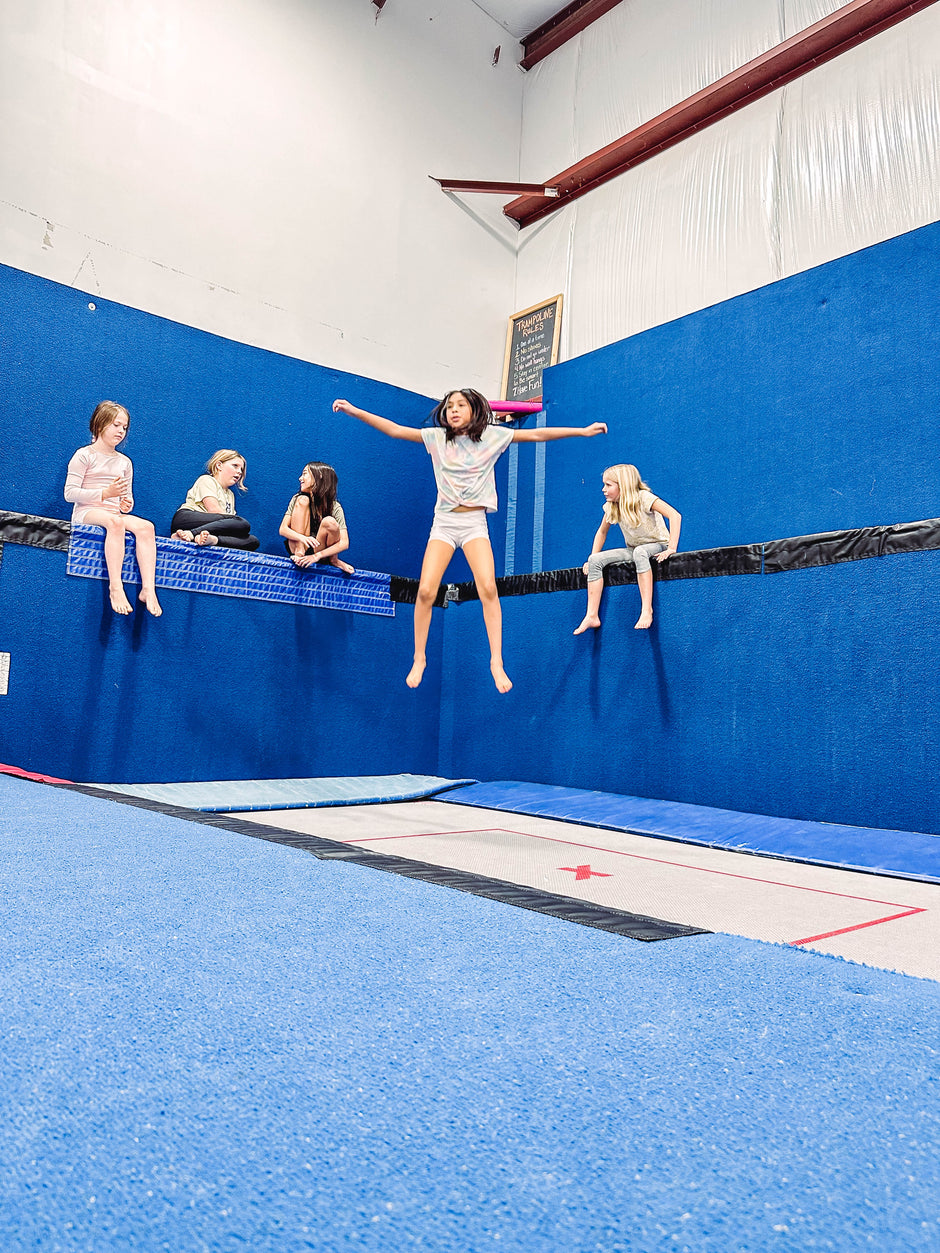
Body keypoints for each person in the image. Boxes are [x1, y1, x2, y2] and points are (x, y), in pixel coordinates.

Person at [333, 391, 607, 693]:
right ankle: (419, 657)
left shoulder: (492, 437)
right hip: (445, 523)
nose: (453, 410)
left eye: (460, 405)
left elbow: (538, 434)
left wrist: (581, 431)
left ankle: (496, 662)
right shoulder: (437, 438)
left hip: (474, 523)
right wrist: (354, 410)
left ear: (474, 410)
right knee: (425, 590)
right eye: (449, 406)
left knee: (488, 587)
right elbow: (395, 430)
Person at [64, 401, 162, 617]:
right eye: (116, 425)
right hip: (87, 511)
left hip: (112, 511)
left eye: (125, 427)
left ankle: (148, 588)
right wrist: (104, 494)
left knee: (146, 527)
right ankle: (115, 586)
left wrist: (125, 502)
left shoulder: (124, 462)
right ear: (100, 425)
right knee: (115, 523)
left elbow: (126, 499)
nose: (121, 431)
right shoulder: (84, 455)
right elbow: (70, 493)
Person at [573, 463, 681, 633]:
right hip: (635, 549)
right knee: (595, 560)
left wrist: (671, 548)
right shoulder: (612, 506)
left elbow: (675, 515)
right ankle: (592, 615)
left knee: (640, 552)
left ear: (623, 485)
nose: (603, 489)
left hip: (658, 544)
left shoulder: (643, 497)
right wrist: (591, 556)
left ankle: (647, 609)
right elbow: (601, 532)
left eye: (608, 485)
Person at [170, 451, 259, 550]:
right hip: (187, 519)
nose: (239, 472)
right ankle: (190, 534)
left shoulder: (230, 495)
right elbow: (213, 510)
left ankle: (212, 540)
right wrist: (235, 526)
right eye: (235, 466)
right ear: (219, 465)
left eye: (241, 469)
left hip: (209, 527)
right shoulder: (207, 480)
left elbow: (227, 523)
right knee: (242, 523)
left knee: (253, 540)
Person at [279, 462, 354, 573]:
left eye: (304, 474)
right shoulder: (298, 499)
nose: (300, 478)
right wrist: (302, 538)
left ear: (319, 476)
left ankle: (334, 560)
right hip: (298, 547)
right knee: (302, 500)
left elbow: (344, 543)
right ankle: (299, 552)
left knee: (330, 521)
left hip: (320, 551)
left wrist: (317, 556)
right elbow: (283, 529)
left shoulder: (335, 507)